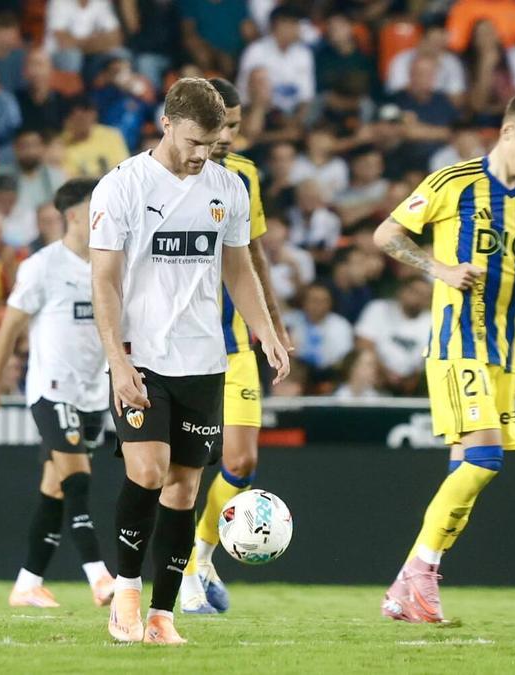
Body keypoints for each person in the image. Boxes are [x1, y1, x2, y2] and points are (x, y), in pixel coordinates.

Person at [372, 91, 515, 623]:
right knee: (486, 459)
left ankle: (416, 586)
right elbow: (387, 235)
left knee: (467, 473)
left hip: (504, 353)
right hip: (456, 344)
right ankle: (414, 575)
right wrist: (438, 269)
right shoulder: (453, 182)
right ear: (508, 132)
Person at [90, 78, 289, 644]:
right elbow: (103, 280)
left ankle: (162, 616)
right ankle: (125, 594)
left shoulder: (228, 187)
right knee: (147, 472)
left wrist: (264, 331)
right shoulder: (121, 187)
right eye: (197, 141)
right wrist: (116, 360)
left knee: (182, 491)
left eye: (216, 141)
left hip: (204, 360)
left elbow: (238, 267)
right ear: (167, 123)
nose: (205, 153)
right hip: (141, 357)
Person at [0, 178, 116, 608]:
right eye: (98, 208)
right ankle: (99, 577)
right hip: (52, 391)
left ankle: (27, 584)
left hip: (93, 394)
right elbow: (10, 328)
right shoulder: (42, 266)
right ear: (74, 215)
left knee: (54, 489)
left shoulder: (111, 264)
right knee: (77, 481)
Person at [179, 78, 289, 615]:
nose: (227, 137)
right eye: (222, 126)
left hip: (236, 341)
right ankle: (179, 569)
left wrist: (273, 323)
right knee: (187, 464)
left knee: (240, 461)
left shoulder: (244, 176)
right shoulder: (162, 174)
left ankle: (200, 555)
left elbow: (253, 257)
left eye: (236, 128)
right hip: (181, 344)